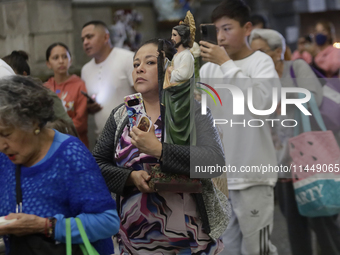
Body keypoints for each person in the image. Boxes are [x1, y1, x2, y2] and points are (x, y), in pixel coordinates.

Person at [92, 39, 230, 254]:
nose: (139, 68)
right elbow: (98, 165)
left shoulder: (192, 109)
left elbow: (214, 161)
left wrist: (160, 150)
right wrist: (130, 178)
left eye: (149, 62)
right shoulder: (122, 115)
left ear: (170, 69)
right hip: (136, 237)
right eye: (136, 64)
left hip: (191, 236)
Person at [0, 75, 119, 255]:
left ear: (33, 122)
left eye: (6, 134)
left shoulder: (69, 154)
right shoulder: (5, 157)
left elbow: (107, 222)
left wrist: (45, 226)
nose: (2, 145)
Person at [250, 28, 340, 255]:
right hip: (281, 164)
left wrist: (276, 97)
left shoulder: (295, 68)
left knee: (323, 223)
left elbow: (312, 97)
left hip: (310, 160)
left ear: (278, 51)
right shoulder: (258, 80)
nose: (255, 59)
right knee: (294, 228)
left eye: (260, 52)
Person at [199, 1, 280, 254]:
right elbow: (202, 118)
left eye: (227, 29)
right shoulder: (209, 68)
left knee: (259, 248)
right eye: (216, 30)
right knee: (225, 248)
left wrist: (226, 65)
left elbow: (263, 104)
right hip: (219, 178)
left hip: (253, 174)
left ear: (247, 28)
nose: (220, 37)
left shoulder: (261, 62)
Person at [81, 20, 135, 142]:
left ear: (106, 37)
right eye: (83, 39)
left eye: (89, 37)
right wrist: (90, 107)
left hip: (131, 138)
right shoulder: (85, 70)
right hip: (102, 140)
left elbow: (146, 96)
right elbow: (88, 106)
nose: (85, 42)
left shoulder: (127, 58)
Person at [2, 50, 74, 126]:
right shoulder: (7, 100)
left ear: (24, 76)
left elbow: (68, 126)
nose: (6, 85)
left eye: (9, 77)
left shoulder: (45, 96)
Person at [44, 43, 89, 147]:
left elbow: (80, 122)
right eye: (55, 58)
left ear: (71, 60)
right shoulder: (45, 88)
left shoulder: (79, 85)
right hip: (51, 144)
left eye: (65, 57)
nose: (61, 61)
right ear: (48, 63)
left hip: (76, 142)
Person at [163, 11, 196, 145]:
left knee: (179, 122)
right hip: (173, 94)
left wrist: (171, 71)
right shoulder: (177, 55)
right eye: (172, 35)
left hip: (181, 96)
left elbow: (184, 74)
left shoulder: (187, 55)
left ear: (182, 37)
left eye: (174, 35)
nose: (172, 38)